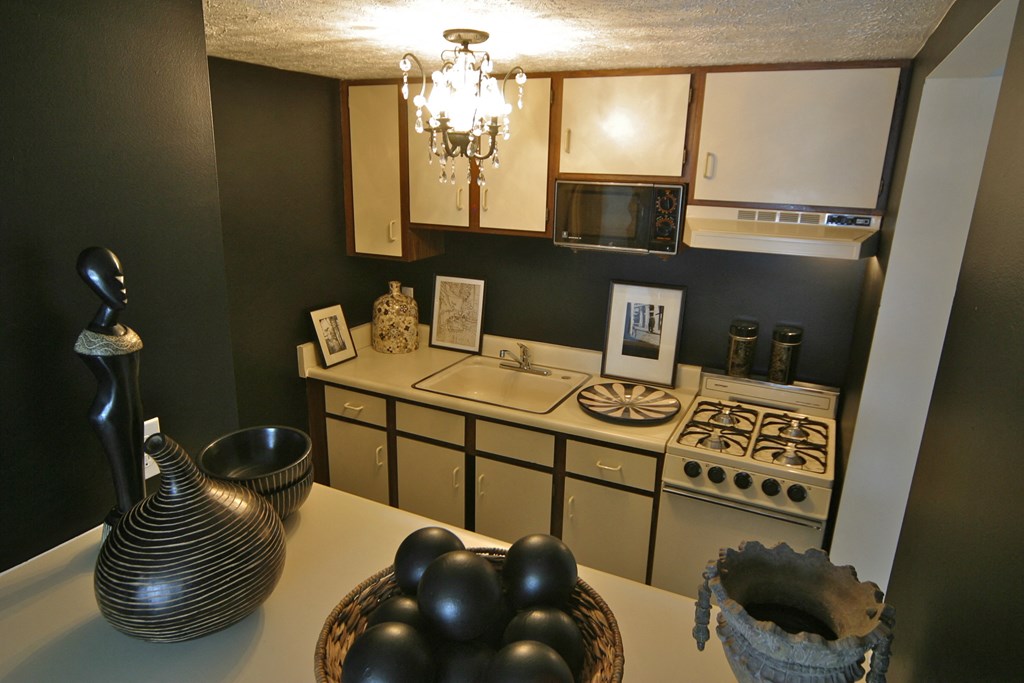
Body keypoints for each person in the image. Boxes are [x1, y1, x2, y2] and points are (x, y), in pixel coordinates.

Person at [74, 246, 145, 526]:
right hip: (109, 410)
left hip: (132, 403)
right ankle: (128, 530)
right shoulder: (91, 336)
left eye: (122, 278)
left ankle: (142, 519)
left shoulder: (123, 330)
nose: (122, 287)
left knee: (136, 471)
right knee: (124, 481)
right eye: (112, 280)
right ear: (94, 282)